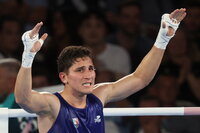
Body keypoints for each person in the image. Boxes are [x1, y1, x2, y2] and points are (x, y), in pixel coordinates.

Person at [14, 8, 186, 133]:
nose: (88, 74)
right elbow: (24, 99)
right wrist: (28, 56)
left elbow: (141, 78)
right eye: (80, 70)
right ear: (64, 77)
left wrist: (163, 39)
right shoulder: (53, 104)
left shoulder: (99, 95)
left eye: (91, 68)